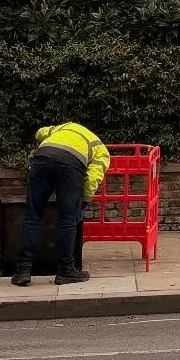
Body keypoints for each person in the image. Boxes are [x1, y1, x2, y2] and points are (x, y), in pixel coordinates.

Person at [12, 122, 109, 286]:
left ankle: (23, 270)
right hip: (70, 166)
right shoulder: (101, 150)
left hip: (41, 158)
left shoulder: (63, 127)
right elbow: (93, 178)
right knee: (67, 221)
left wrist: (45, 140)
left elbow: (40, 132)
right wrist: (83, 202)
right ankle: (65, 270)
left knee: (32, 217)